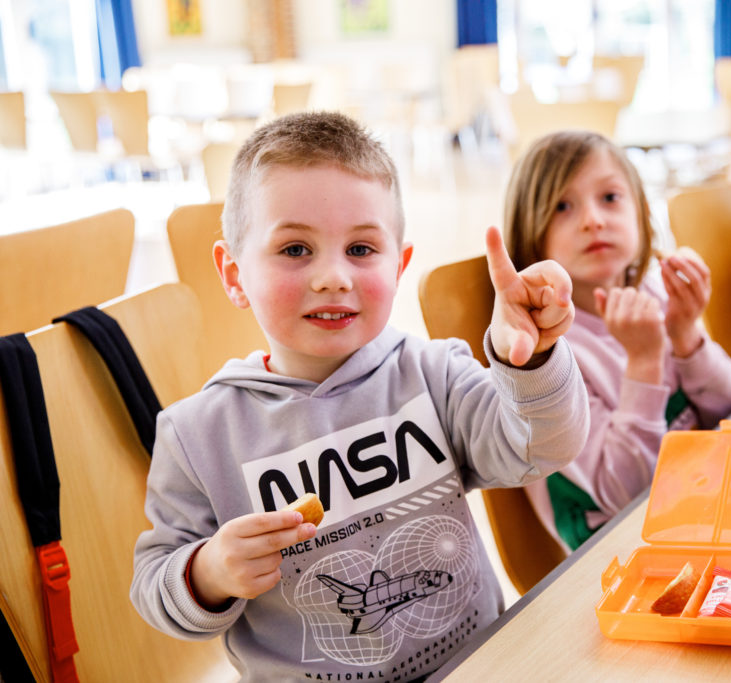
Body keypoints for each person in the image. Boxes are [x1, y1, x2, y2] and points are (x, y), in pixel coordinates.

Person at [130, 112, 589, 682]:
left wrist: (533, 361)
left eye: (362, 249)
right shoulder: (197, 434)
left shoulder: (435, 373)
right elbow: (153, 578)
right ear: (233, 272)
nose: (333, 277)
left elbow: (544, 448)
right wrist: (208, 573)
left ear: (399, 265)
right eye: (296, 249)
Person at [502, 130, 731, 552]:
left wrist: (687, 337)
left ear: (641, 212)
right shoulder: (543, 355)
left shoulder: (655, 293)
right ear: (530, 235)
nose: (593, 219)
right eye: (562, 206)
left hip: (698, 498)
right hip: (615, 549)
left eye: (610, 198)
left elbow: (729, 409)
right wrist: (645, 362)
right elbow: (624, 492)